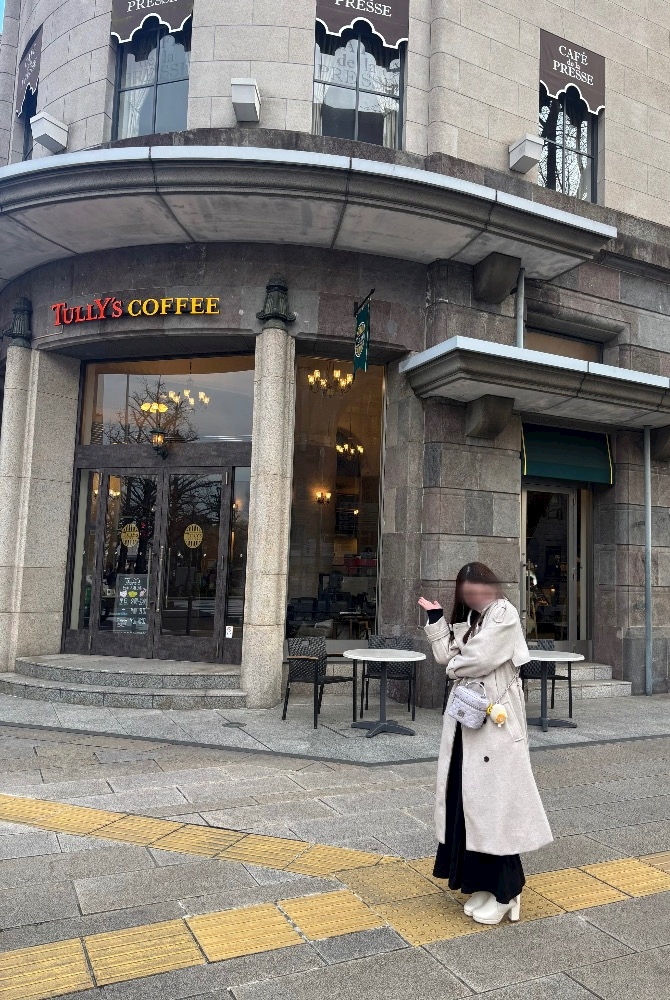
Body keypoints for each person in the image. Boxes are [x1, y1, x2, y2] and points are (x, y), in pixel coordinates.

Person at [418, 562, 553, 926]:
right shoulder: (475, 619)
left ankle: (508, 893)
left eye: (479, 587)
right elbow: (447, 655)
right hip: (470, 725)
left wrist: (455, 665)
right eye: (467, 590)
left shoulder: (504, 613)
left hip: (496, 728)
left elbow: (475, 661)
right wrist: (437, 620)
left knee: (496, 810)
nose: (474, 595)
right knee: (468, 805)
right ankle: (481, 884)